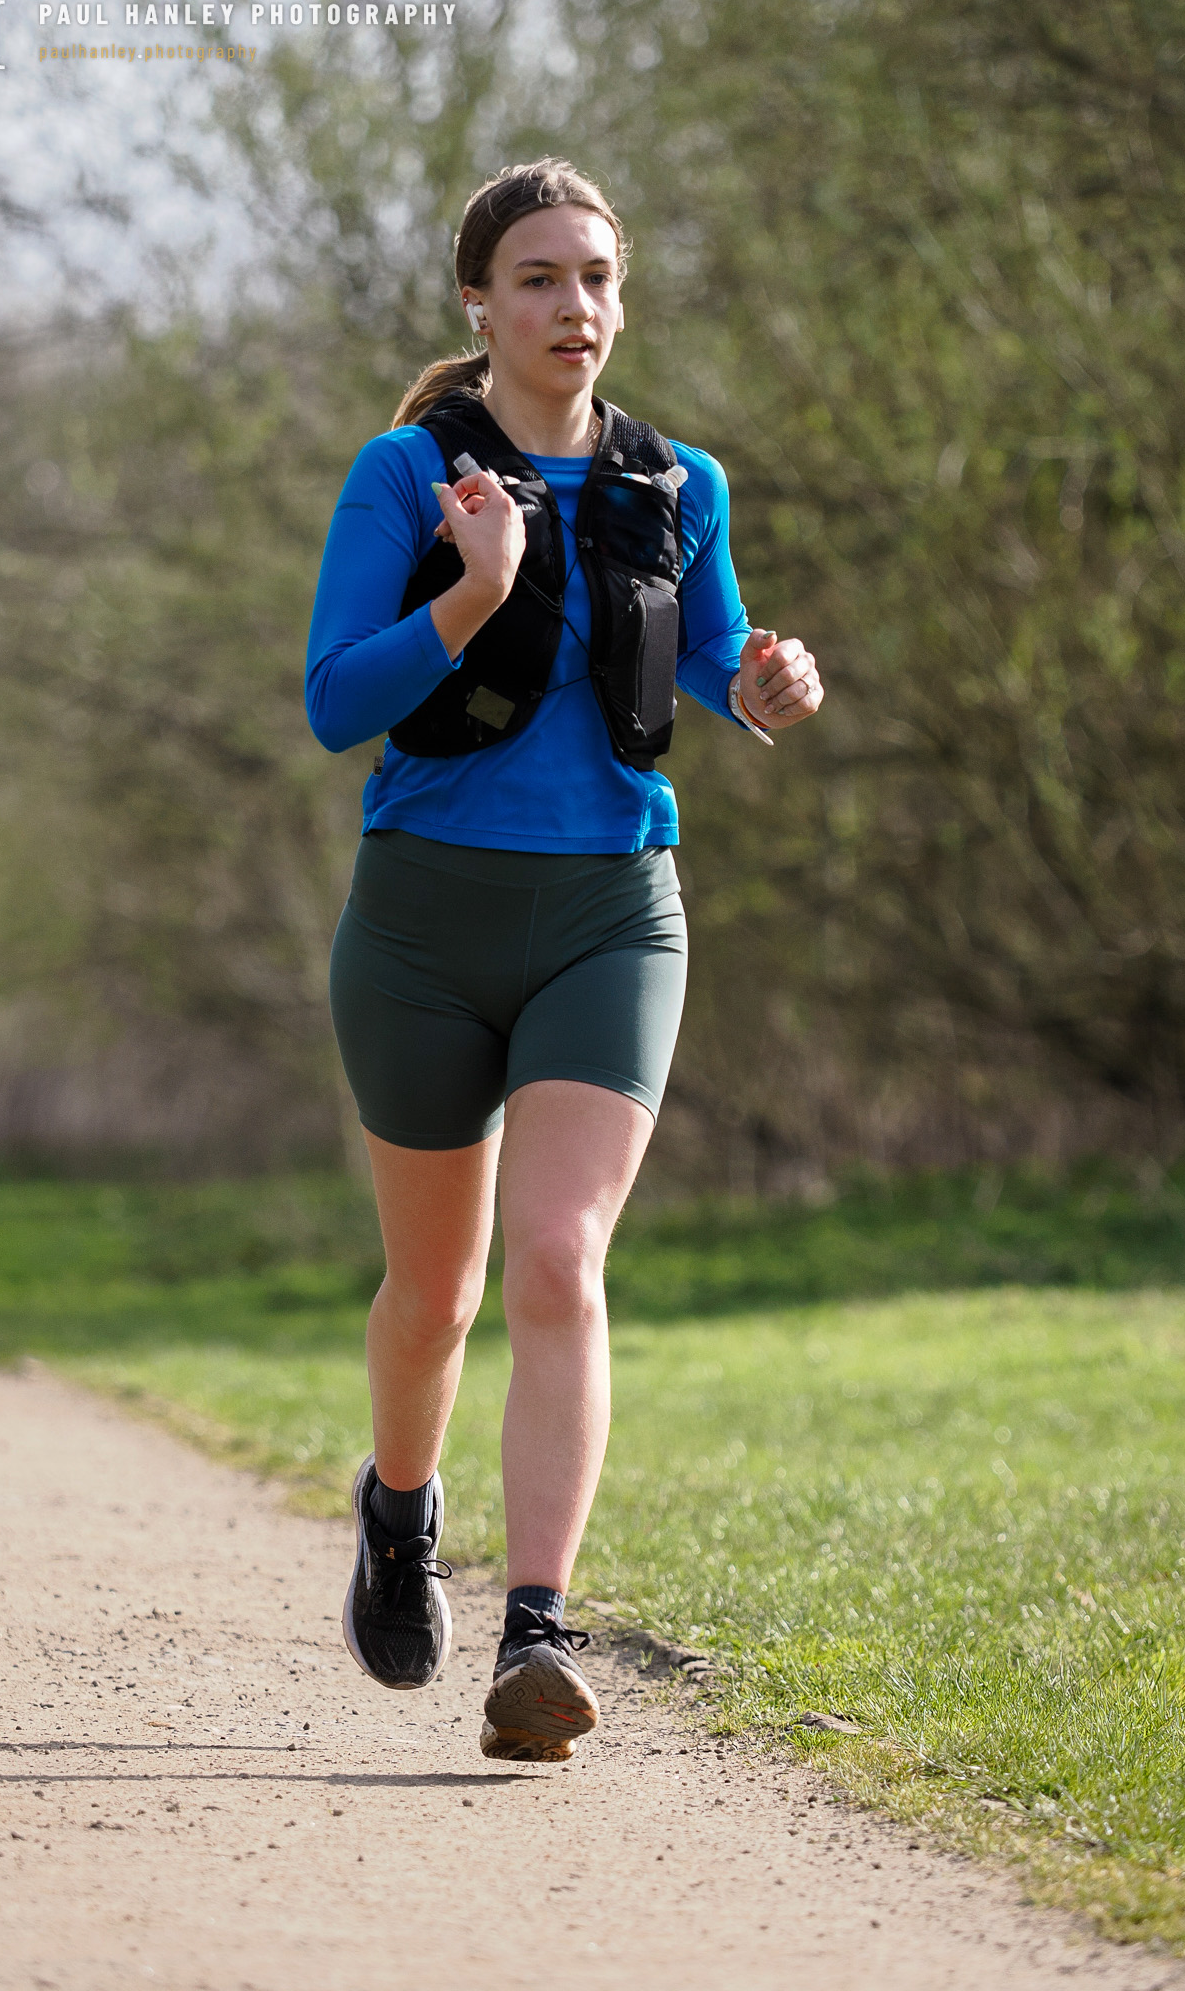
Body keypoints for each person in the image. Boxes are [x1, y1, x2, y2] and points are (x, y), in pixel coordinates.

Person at [304, 157, 822, 1764]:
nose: (573, 308)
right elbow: (334, 701)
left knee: (558, 1265)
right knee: (434, 1297)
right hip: (422, 926)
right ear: (480, 301)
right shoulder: (407, 473)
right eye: (538, 278)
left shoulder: (683, 486)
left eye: (596, 278)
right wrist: (471, 595)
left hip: (613, 907)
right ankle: (400, 1512)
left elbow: (715, 652)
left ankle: (537, 1632)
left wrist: (770, 680)